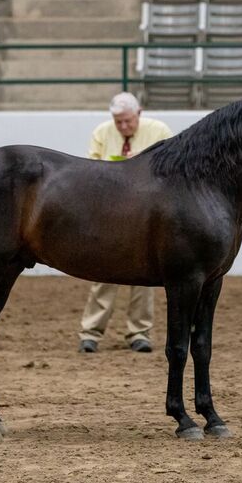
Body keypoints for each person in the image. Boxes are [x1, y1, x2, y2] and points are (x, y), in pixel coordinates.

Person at [78, 92, 173, 354]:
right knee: (103, 270)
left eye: (127, 121)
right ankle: (91, 332)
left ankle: (139, 332)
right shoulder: (102, 132)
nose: (122, 127)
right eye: (118, 122)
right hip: (110, 210)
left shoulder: (160, 131)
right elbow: (92, 169)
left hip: (146, 213)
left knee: (143, 275)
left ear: (138, 113)